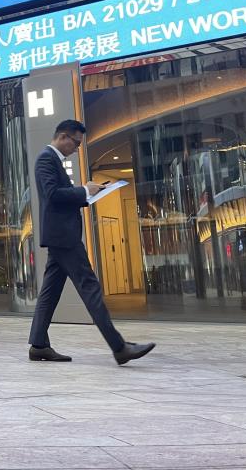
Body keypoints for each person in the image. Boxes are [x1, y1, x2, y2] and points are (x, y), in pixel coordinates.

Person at [28, 119, 155, 365]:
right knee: (90, 288)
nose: (76, 149)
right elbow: (52, 195)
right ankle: (119, 348)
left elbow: (58, 195)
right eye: (75, 143)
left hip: (61, 236)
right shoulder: (46, 158)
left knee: (50, 292)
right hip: (63, 237)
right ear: (63, 137)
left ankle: (39, 345)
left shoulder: (53, 160)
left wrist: (88, 192)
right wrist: (85, 191)